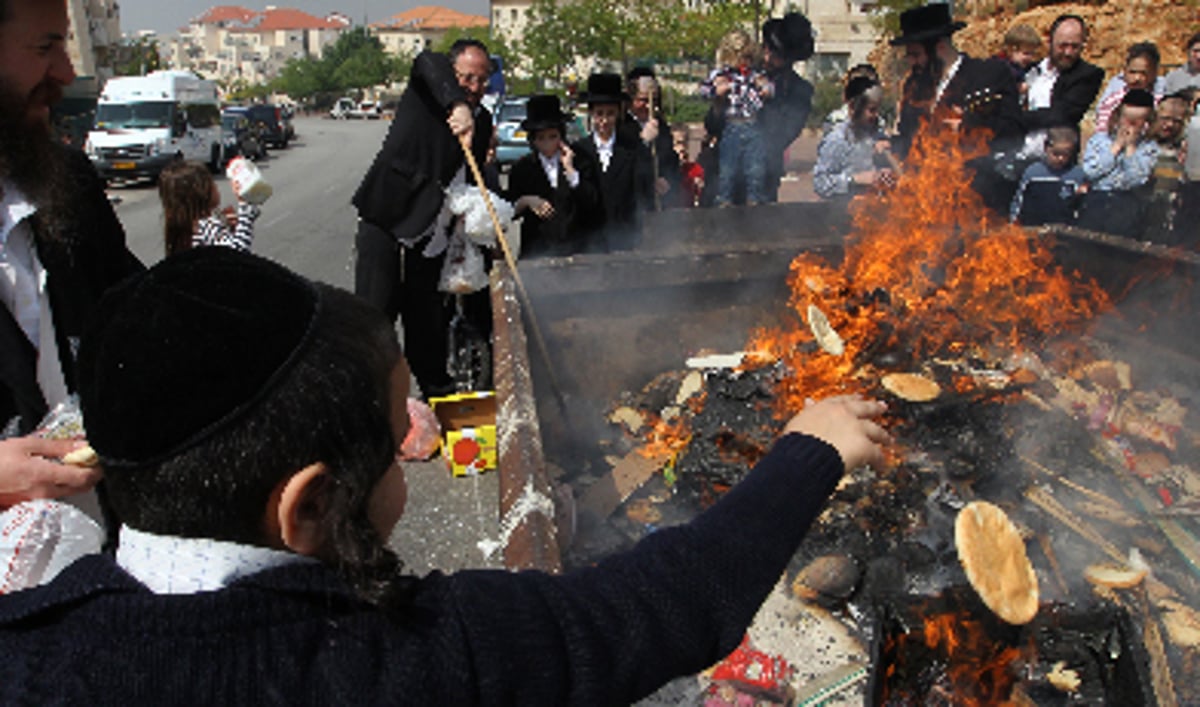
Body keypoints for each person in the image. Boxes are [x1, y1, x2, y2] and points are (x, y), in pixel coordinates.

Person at [0, 247, 890, 704]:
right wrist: (809, 448)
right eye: (399, 441)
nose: (413, 446)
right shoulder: (413, 662)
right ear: (308, 508)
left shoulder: (31, 639)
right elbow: (669, 601)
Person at [0, 0, 142, 515]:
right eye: (45, 47)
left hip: (96, 562)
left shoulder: (67, 184)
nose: (65, 72)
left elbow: (138, 315)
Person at [352, 39, 494, 400]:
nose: (474, 88)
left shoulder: (484, 120)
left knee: (427, 320)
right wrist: (457, 103)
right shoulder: (430, 90)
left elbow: (465, 176)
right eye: (467, 78)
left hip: (433, 231)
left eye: (481, 81)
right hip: (389, 216)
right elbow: (425, 60)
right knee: (375, 317)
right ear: (452, 73)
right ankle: (369, 401)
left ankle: (438, 396)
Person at [891, 3, 1023, 214]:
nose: (912, 62)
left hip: (977, 200)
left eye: (916, 54)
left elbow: (1013, 130)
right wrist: (890, 148)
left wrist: (968, 127)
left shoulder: (988, 75)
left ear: (940, 47)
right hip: (927, 203)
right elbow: (907, 135)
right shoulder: (914, 86)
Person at [503, 94, 599, 258]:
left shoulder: (581, 160)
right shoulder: (523, 168)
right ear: (532, 139)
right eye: (541, 138)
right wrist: (526, 201)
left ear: (561, 135)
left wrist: (571, 171)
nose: (547, 143)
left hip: (576, 250)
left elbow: (592, 201)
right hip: (536, 251)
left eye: (552, 136)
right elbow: (508, 211)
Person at [572, 72, 655, 252]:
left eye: (610, 114)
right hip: (590, 240)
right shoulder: (578, 151)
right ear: (591, 114)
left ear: (618, 113)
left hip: (625, 237)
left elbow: (641, 189)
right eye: (599, 114)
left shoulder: (632, 148)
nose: (604, 120)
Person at [1015, 14, 1104, 164]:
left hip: (1056, 163)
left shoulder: (1088, 75)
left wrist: (1014, 117)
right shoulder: (1028, 70)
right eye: (1062, 45)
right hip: (1016, 154)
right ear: (1049, 42)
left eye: (1074, 46)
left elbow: (1061, 115)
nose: (1068, 52)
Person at [700, 29, 774, 207]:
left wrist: (765, 90)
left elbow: (770, 88)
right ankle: (724, 198)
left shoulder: (754, 76)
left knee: (755, 166)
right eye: (741, 57)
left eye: (748, 58)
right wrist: (716, 92)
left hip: (752, 124)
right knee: (728, 166)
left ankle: (754, 196)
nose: (744, 62)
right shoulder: (721, 76)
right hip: (732, 125)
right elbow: (703, 90)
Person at [1077, 89, 1159, 237]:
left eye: (1137, 121)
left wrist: (1130, 149)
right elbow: (1090, 171)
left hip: (1127, 204)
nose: (1130, 125)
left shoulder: (1149, 147)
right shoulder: (1100, 140)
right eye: (1127, 119)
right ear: (1118, 117)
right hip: (1097, 200)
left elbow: (1137, 180)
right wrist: (1115, 147)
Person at [758, 12, 816, 204]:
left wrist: (767, 100)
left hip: (763, 176)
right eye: (765, 48)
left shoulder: (800, 92)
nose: (766, 57)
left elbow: (782, 135)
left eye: (774, 53)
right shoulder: (745, 77)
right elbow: (714, 123)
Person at [813, 78, 896, 202]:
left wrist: (883, 174)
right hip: (841, 214)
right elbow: (820, 183)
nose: (876, 115)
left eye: (878, 109)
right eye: (871, 110)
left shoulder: (875, 136)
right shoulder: (837, 140)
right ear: (853, 107)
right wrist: (855, 179)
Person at [158, 159, 258, 256]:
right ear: (202, 192)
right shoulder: (206, 225)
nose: (216, 186)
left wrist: (230, 229)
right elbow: (237, 253)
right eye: (212, 183)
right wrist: (246, 208)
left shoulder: (185, 229)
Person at [1139, 91, 1190, 243]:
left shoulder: (1184, 150)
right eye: (1165, 119)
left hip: (1167, 221)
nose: (1169, 125)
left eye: (1177, 121)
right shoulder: (1139, 144)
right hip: (1138, 215)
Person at [1009, 126, 1086, 226]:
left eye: (1065, 154)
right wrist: (1013, 220)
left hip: (1065, 229)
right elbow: (1019, 200)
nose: (1060, 158)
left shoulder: (1076, 174)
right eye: (1056, 154)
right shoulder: (1033, 172)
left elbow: (1080, 206)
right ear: (1046, 148)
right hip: (1034, 227)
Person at [624, 67, 678, 208]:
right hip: (634, 201)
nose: (648, 106)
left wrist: (667, 179)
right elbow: (625, 163)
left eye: (653, 99)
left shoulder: (661, 126)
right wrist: (644, 141)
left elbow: (671, 158)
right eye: (642, 100)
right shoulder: (622, 126)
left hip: (659, 201)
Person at [1094, 42, 1165, 134]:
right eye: (1132, 72)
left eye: (1143, 73)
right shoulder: (1113, 100)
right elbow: (1102, 130)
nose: (1137, 78)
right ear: (1125, 71)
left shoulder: (1159, 100)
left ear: (1154, 73)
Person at [995, 23, 1042, 98]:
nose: (1030, 58)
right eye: (1026, 53)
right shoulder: (1003, 67)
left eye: (1032, 54)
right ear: (1012, 50)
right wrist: (1019, 87)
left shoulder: (1019, 65)